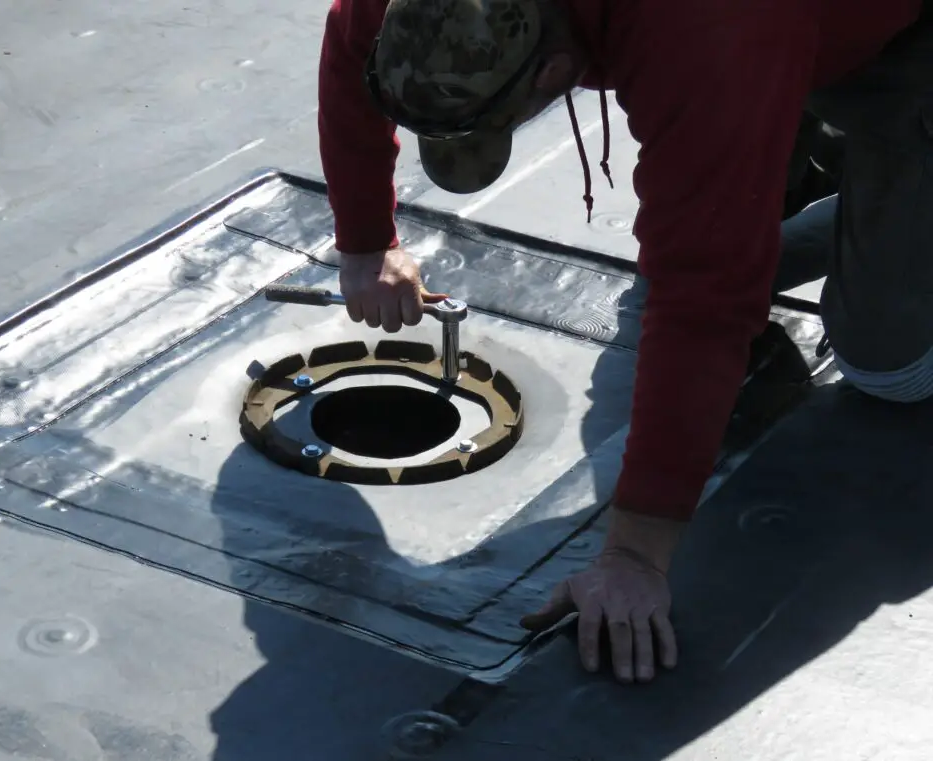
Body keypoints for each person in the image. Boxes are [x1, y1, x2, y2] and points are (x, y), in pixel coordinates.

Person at [317, 0, 933, 683]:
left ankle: (882, 159)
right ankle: (818, 164)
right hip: (766, 42)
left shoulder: (707, 31)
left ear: (555, 71)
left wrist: (636, 556)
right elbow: (352, 38)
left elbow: (704, 297)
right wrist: (366, 237)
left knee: (891, 369)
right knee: (701, 215)